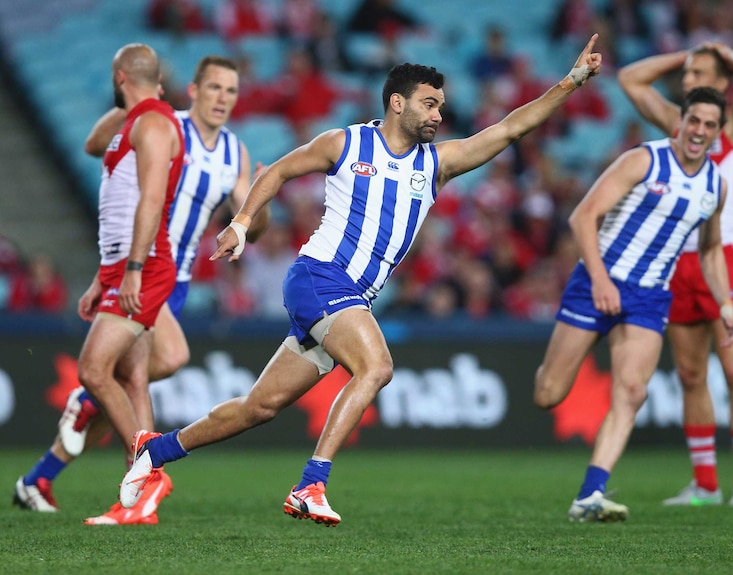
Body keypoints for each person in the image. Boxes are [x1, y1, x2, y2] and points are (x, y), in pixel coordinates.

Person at [117, 35, 603, 527]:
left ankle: (156, 450)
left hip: (349, 298)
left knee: (258, 406)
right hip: (319, 277)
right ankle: (311, 483)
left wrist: (571, 82)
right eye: (429, 103)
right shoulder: (346, 143)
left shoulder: (437, 164)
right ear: (397, 102)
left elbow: (512, 127)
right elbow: (280, 171)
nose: (438, 115)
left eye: (441, 106)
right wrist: (242, 223)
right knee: (376, 366)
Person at [13, 55, 269, 525]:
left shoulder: (235, 152)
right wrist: (133, 99)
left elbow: (252, 227)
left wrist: (260, 196)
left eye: (230, 91)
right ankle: (137, 488)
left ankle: (43, 474)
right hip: (148, 263)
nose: (222, 98)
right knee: (141, 372)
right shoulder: (167, 124)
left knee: (123, 383)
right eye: (213, 87)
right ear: (191, 90)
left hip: (177, 277)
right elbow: (96, 144)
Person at [534, 87, 733, 523]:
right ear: (681, 121)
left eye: (710, 124)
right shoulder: (644, 160)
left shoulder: (714, 186)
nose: (700, 131)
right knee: (548, 394)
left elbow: (711, 248)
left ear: (719, 132)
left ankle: (590, 494)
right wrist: (603, 280)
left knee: (633, 391)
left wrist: (725, 301)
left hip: (649, 297)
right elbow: (582, 216)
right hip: (597, 281)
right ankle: (553, 369)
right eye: (694, 121)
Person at [618, 43, 733, 508]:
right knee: (689, 374)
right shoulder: (683, 127)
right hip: (674, 261)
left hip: (723, 255)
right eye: (685, 74)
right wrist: (684, 53)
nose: (686, 80)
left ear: (725, 80)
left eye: (698, 73)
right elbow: (630, 79)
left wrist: (723, 52)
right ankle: (705, 483)